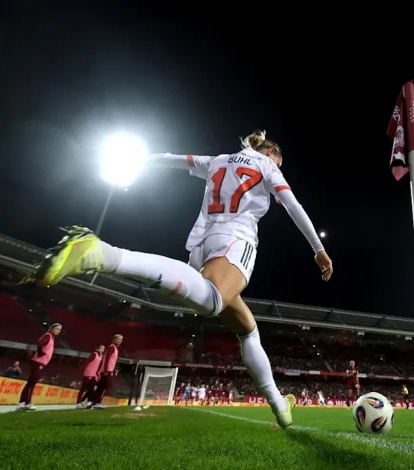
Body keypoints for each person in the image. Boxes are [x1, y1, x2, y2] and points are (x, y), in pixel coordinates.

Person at [25, 131, 331, 429]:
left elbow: (174, 159)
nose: (277, 167)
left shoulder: (218, 160)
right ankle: (103, 255)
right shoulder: (266, 165)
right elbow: (293, 205)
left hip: (201, 245)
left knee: (248, 330)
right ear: (270, 153)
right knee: (213, 301)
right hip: (236, 238)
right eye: (278, 162)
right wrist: (318, 249)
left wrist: (142, 160)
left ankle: (279, 404)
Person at [17, 323, 62, 411]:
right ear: (52, 328)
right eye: (56, 329)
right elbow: (40, 343)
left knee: (31, 383)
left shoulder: (52, 338)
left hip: (41, 363)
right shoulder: (48, 335)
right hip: (38, 362)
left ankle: (25, 402)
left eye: (59, 330)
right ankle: (24, 403)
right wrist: (41, 353)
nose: (58, 331)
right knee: (32, 383)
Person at [88, 335, 122, 410]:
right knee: (107, 386)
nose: (120, 341)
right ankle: (96, 402)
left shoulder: (115, 348)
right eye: (118, 339)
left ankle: (93, 402)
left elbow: (112, 361)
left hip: (109, 370)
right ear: (114, 339)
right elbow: (107, 359)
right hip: (107, 370)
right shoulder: (112, 347)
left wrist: (114, 370)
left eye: (121, 339)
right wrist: (106, 370)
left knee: (101, 387)